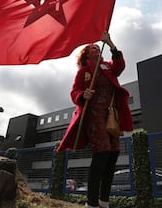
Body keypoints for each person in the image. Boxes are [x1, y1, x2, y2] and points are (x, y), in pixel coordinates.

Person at [56, 31, 133, 208]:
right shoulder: (83, 72)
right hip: (94, 117)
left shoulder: (108, 67)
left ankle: (104, 202)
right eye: (92, 48)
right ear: (86, 54)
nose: (97, 48)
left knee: (113, 156)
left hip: (112, 117)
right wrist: (84, 94)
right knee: (102, 153)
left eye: (98, 47)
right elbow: (74, 92)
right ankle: (91, 204)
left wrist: (111, 43)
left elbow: (120, 66)